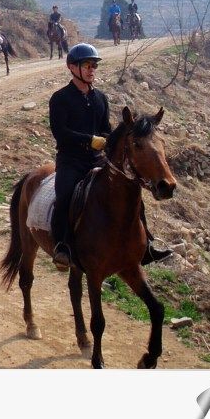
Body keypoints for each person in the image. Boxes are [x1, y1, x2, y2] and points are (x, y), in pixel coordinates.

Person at [48, 43, 172, 270]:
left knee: (132, 190)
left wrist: (110, 139)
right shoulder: (60, 98)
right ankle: (62, 246)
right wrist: (89, 139)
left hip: (97, 159)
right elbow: (60, 133)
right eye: (87, 65)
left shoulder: (100, 98)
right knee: (64, 195)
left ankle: (148, 245)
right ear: (71, 67)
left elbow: (105, 129)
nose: (91, 69)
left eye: (93, 65)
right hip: (71, 161)